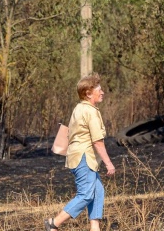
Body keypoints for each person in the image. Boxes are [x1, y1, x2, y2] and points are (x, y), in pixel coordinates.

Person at [47, 73, 115, 231]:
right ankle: (53, 223)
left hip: (78, 156)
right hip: (84, 157)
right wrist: (109, 163)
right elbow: (97, 141)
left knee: (97, 191)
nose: (103, 92)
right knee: (85, 194)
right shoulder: (90, 111)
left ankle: (95, 228)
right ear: (88, 93)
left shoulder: (79, 108)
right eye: (99, 89)